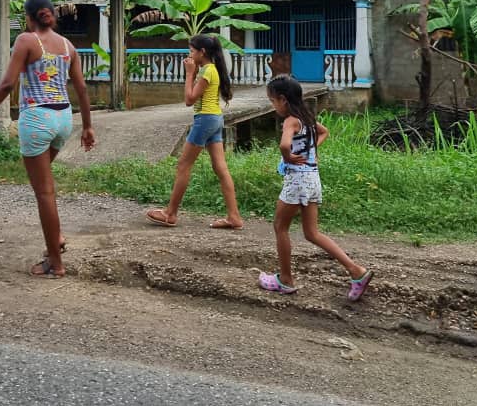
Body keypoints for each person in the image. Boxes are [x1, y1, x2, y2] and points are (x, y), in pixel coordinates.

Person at [0, 0, 96, 279]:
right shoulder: (68, 46)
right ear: (51, 14)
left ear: (29, 18)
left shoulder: (26, 41)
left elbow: (6, 84)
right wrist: (88, 127)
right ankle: (57, 238)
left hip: (37, 119)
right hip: (64, 119)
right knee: (44, 187)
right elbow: (82, 89)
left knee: (44, 193)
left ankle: (55, 262)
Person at [259, 74, 372, 301]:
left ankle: (285, 280)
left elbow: (283, 144)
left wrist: (288, 156)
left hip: (297, 181)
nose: (273, 106)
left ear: (282, 99)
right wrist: (312, 151)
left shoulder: (291, 120)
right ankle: (356, 271)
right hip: (312, 179)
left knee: (280, 227)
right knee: (312, 233)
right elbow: (324, 132)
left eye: (272, 101)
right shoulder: (307, 117)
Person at [145, 34, 244, 230]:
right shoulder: (211, 69)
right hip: (215, 119)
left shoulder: (206, 72)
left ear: (202, 52)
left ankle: (170, 214)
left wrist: (190, 73)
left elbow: (189, 99)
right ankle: (234, 217)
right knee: (220, 168)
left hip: (205, 120)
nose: (189, 55)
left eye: (191, 51)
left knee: (183, 165)